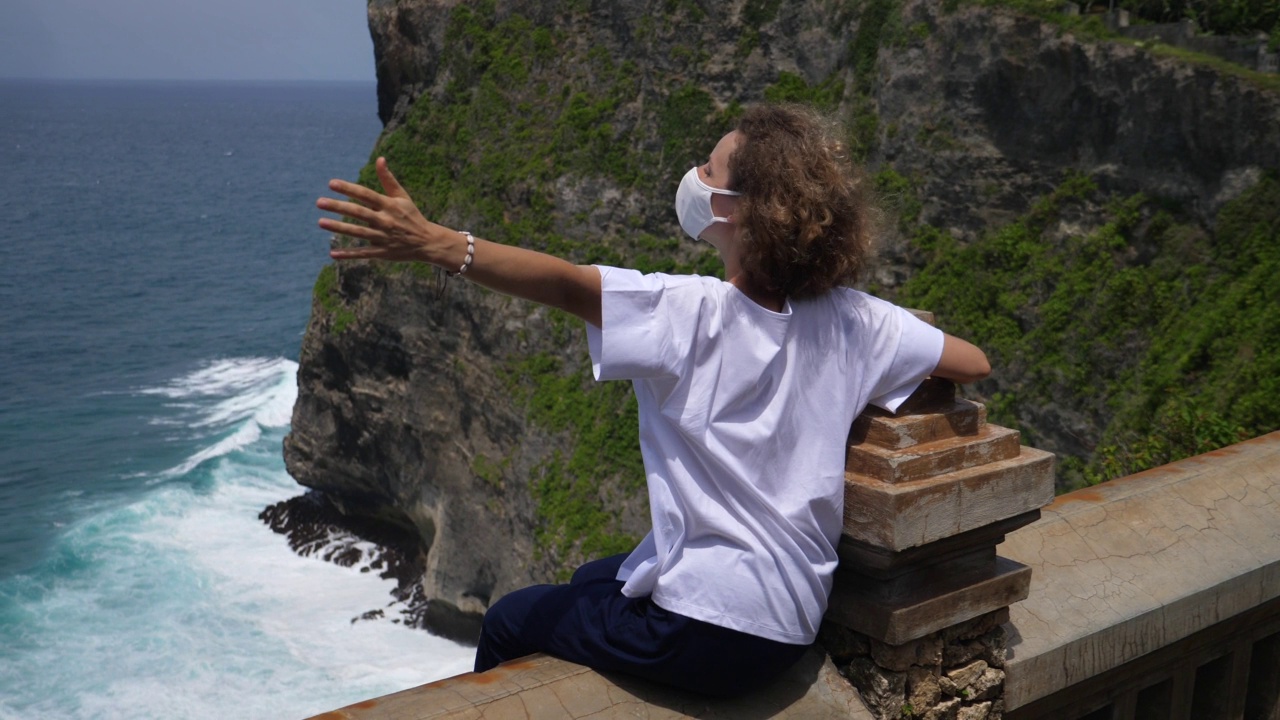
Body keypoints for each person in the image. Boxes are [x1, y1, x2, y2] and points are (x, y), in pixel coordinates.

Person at [317, 104, 990, 697]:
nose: (696, 175)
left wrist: (439, 244)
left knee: (509, 620)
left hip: (708, 631)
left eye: (709, 167)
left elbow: (562, 284)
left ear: (732, 209)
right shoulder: (856, 321)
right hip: (790, 617)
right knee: (591, 579)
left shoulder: (688, 314)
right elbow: (971, 361)